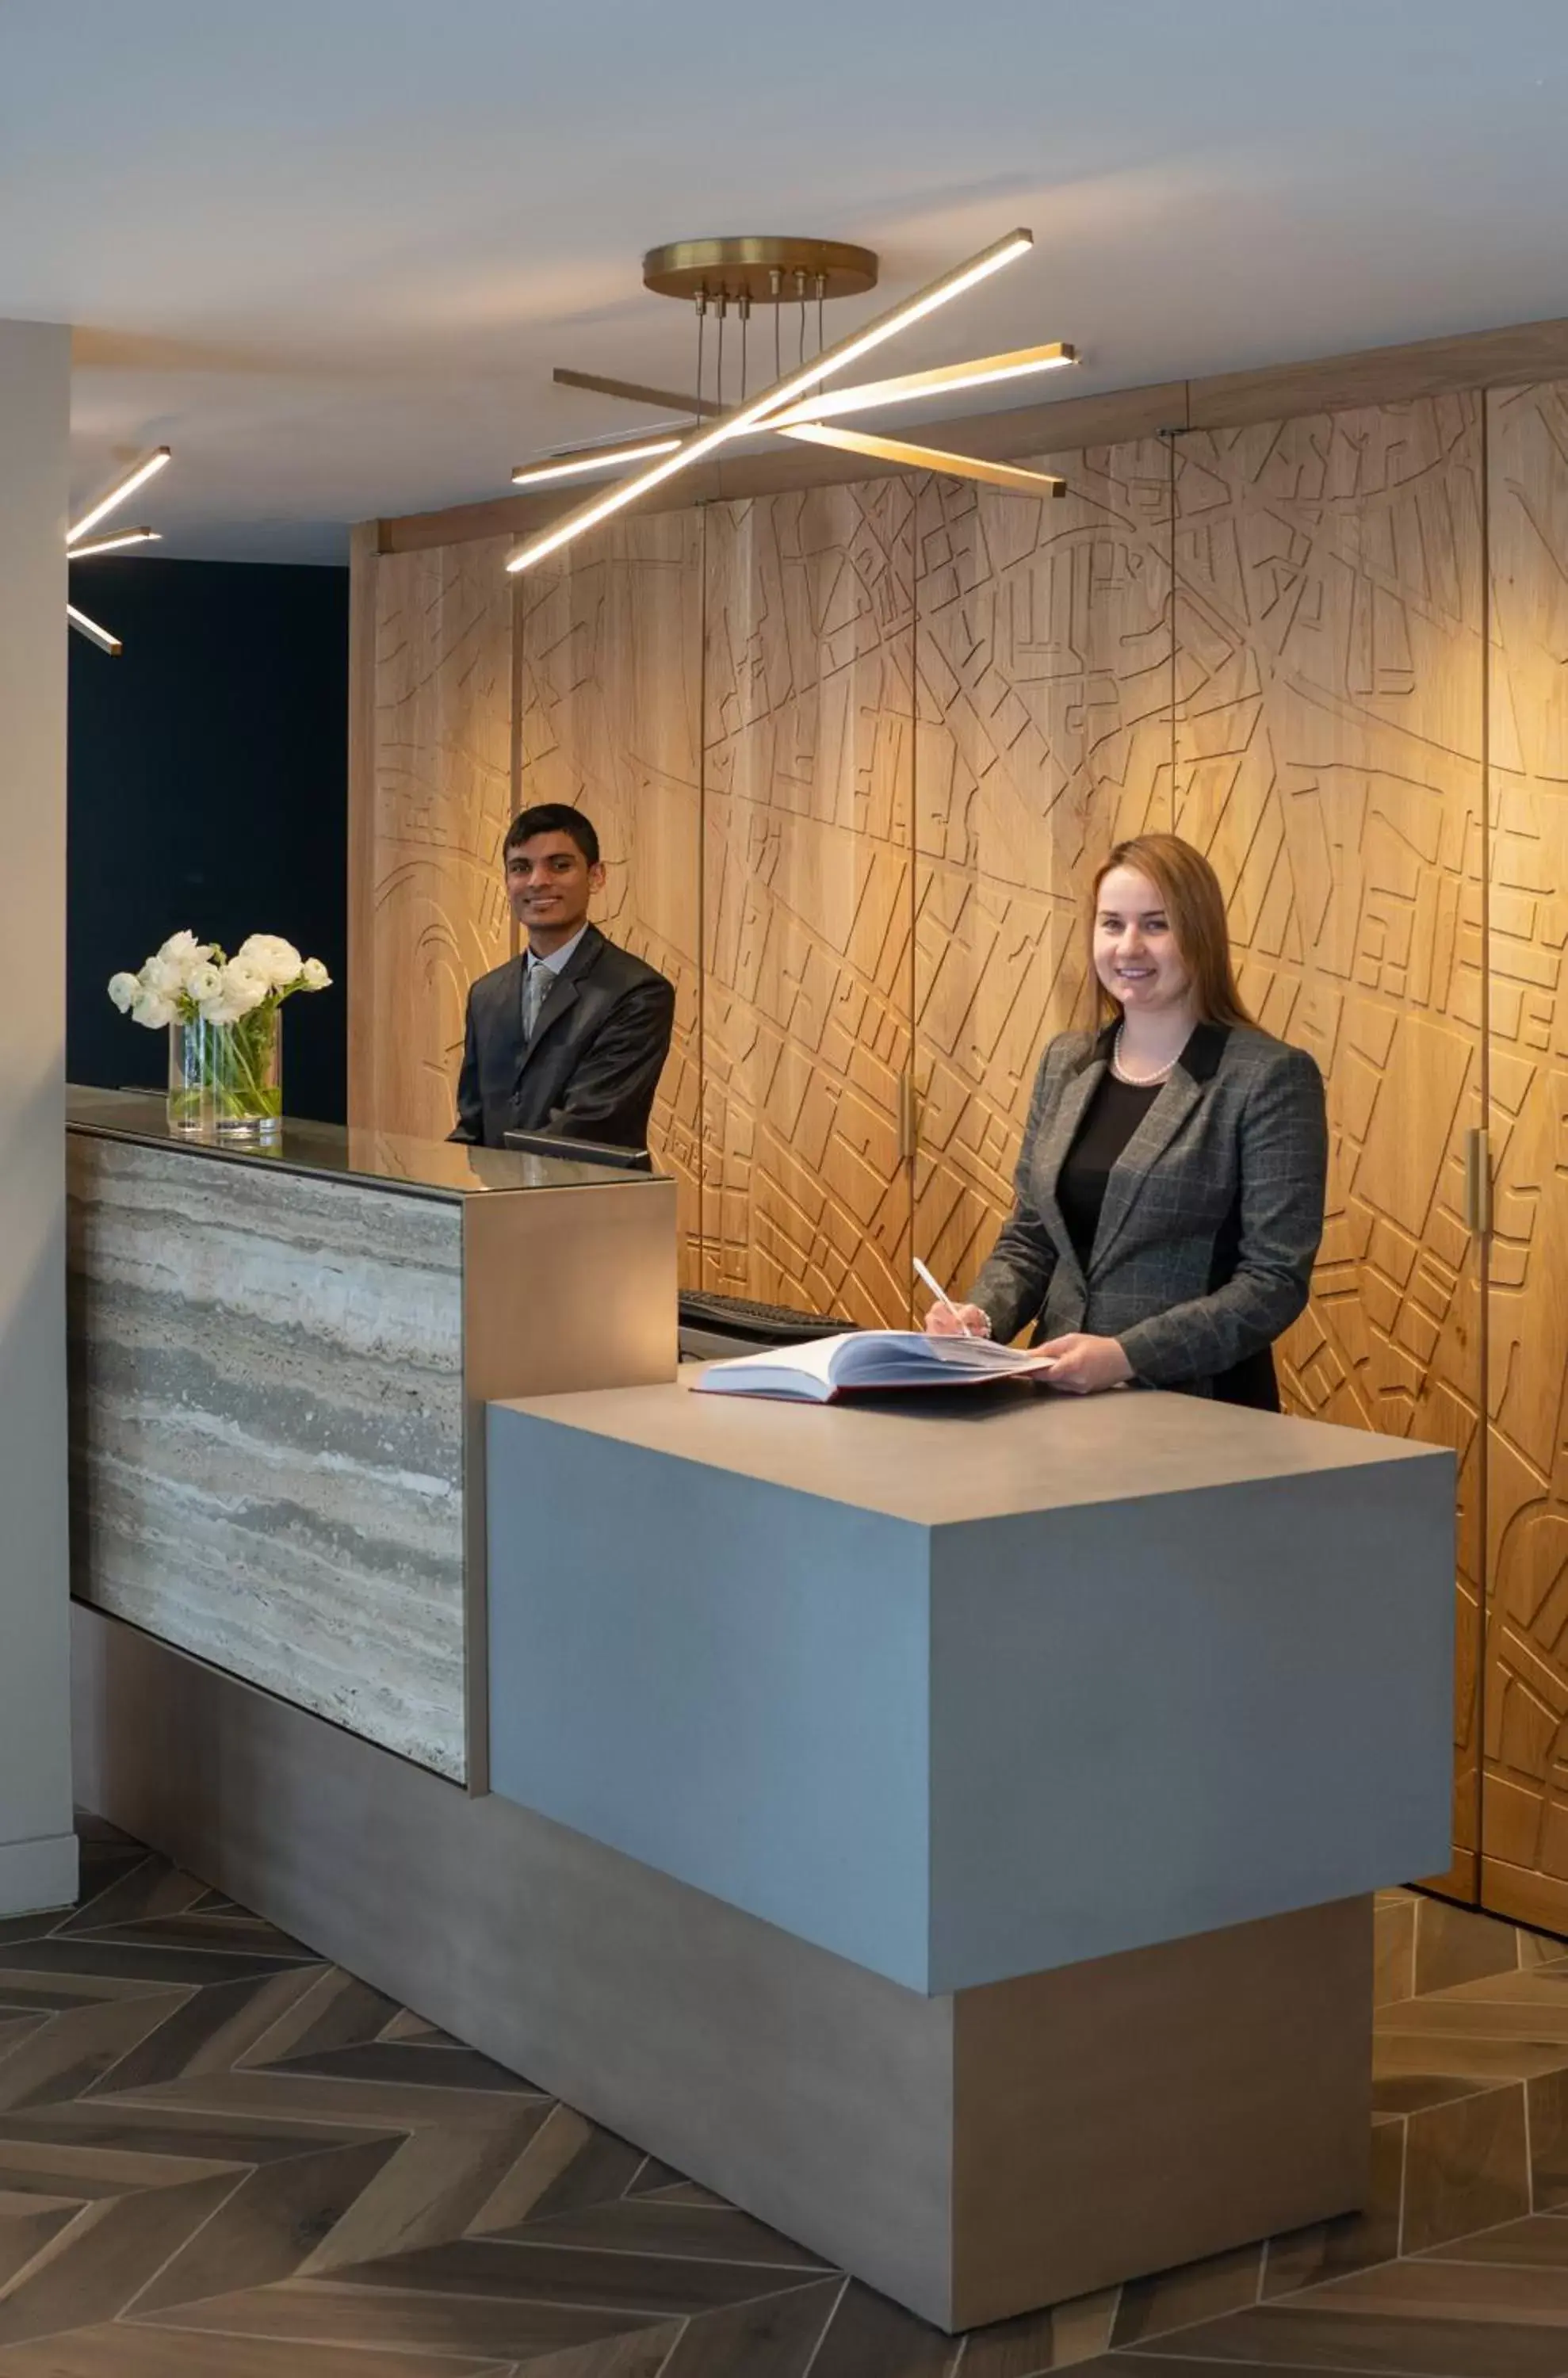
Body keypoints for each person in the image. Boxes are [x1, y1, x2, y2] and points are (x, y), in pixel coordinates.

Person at [926, 833, 1327, 1405]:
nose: (1129, 947)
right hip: (1054, 1396)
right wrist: (980, 1319)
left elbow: (1273, 1282)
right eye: (1112, 924)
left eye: (1156, 925)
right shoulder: (1066, 1063)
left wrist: (1125, 1356)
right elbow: (1034, 1237)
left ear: (1201, 937)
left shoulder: (1268, 1078)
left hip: (1196, 1407)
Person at [452, 805, 675, 1151]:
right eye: (521, 868)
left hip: (586, 1199)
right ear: (507, 881)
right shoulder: (486, 994)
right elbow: (472, 1128)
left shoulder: (637, 992)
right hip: (496, 1199)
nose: (538, 881)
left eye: (560, 865)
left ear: (596, 876)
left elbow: (588, 1125)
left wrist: (497, 1189)